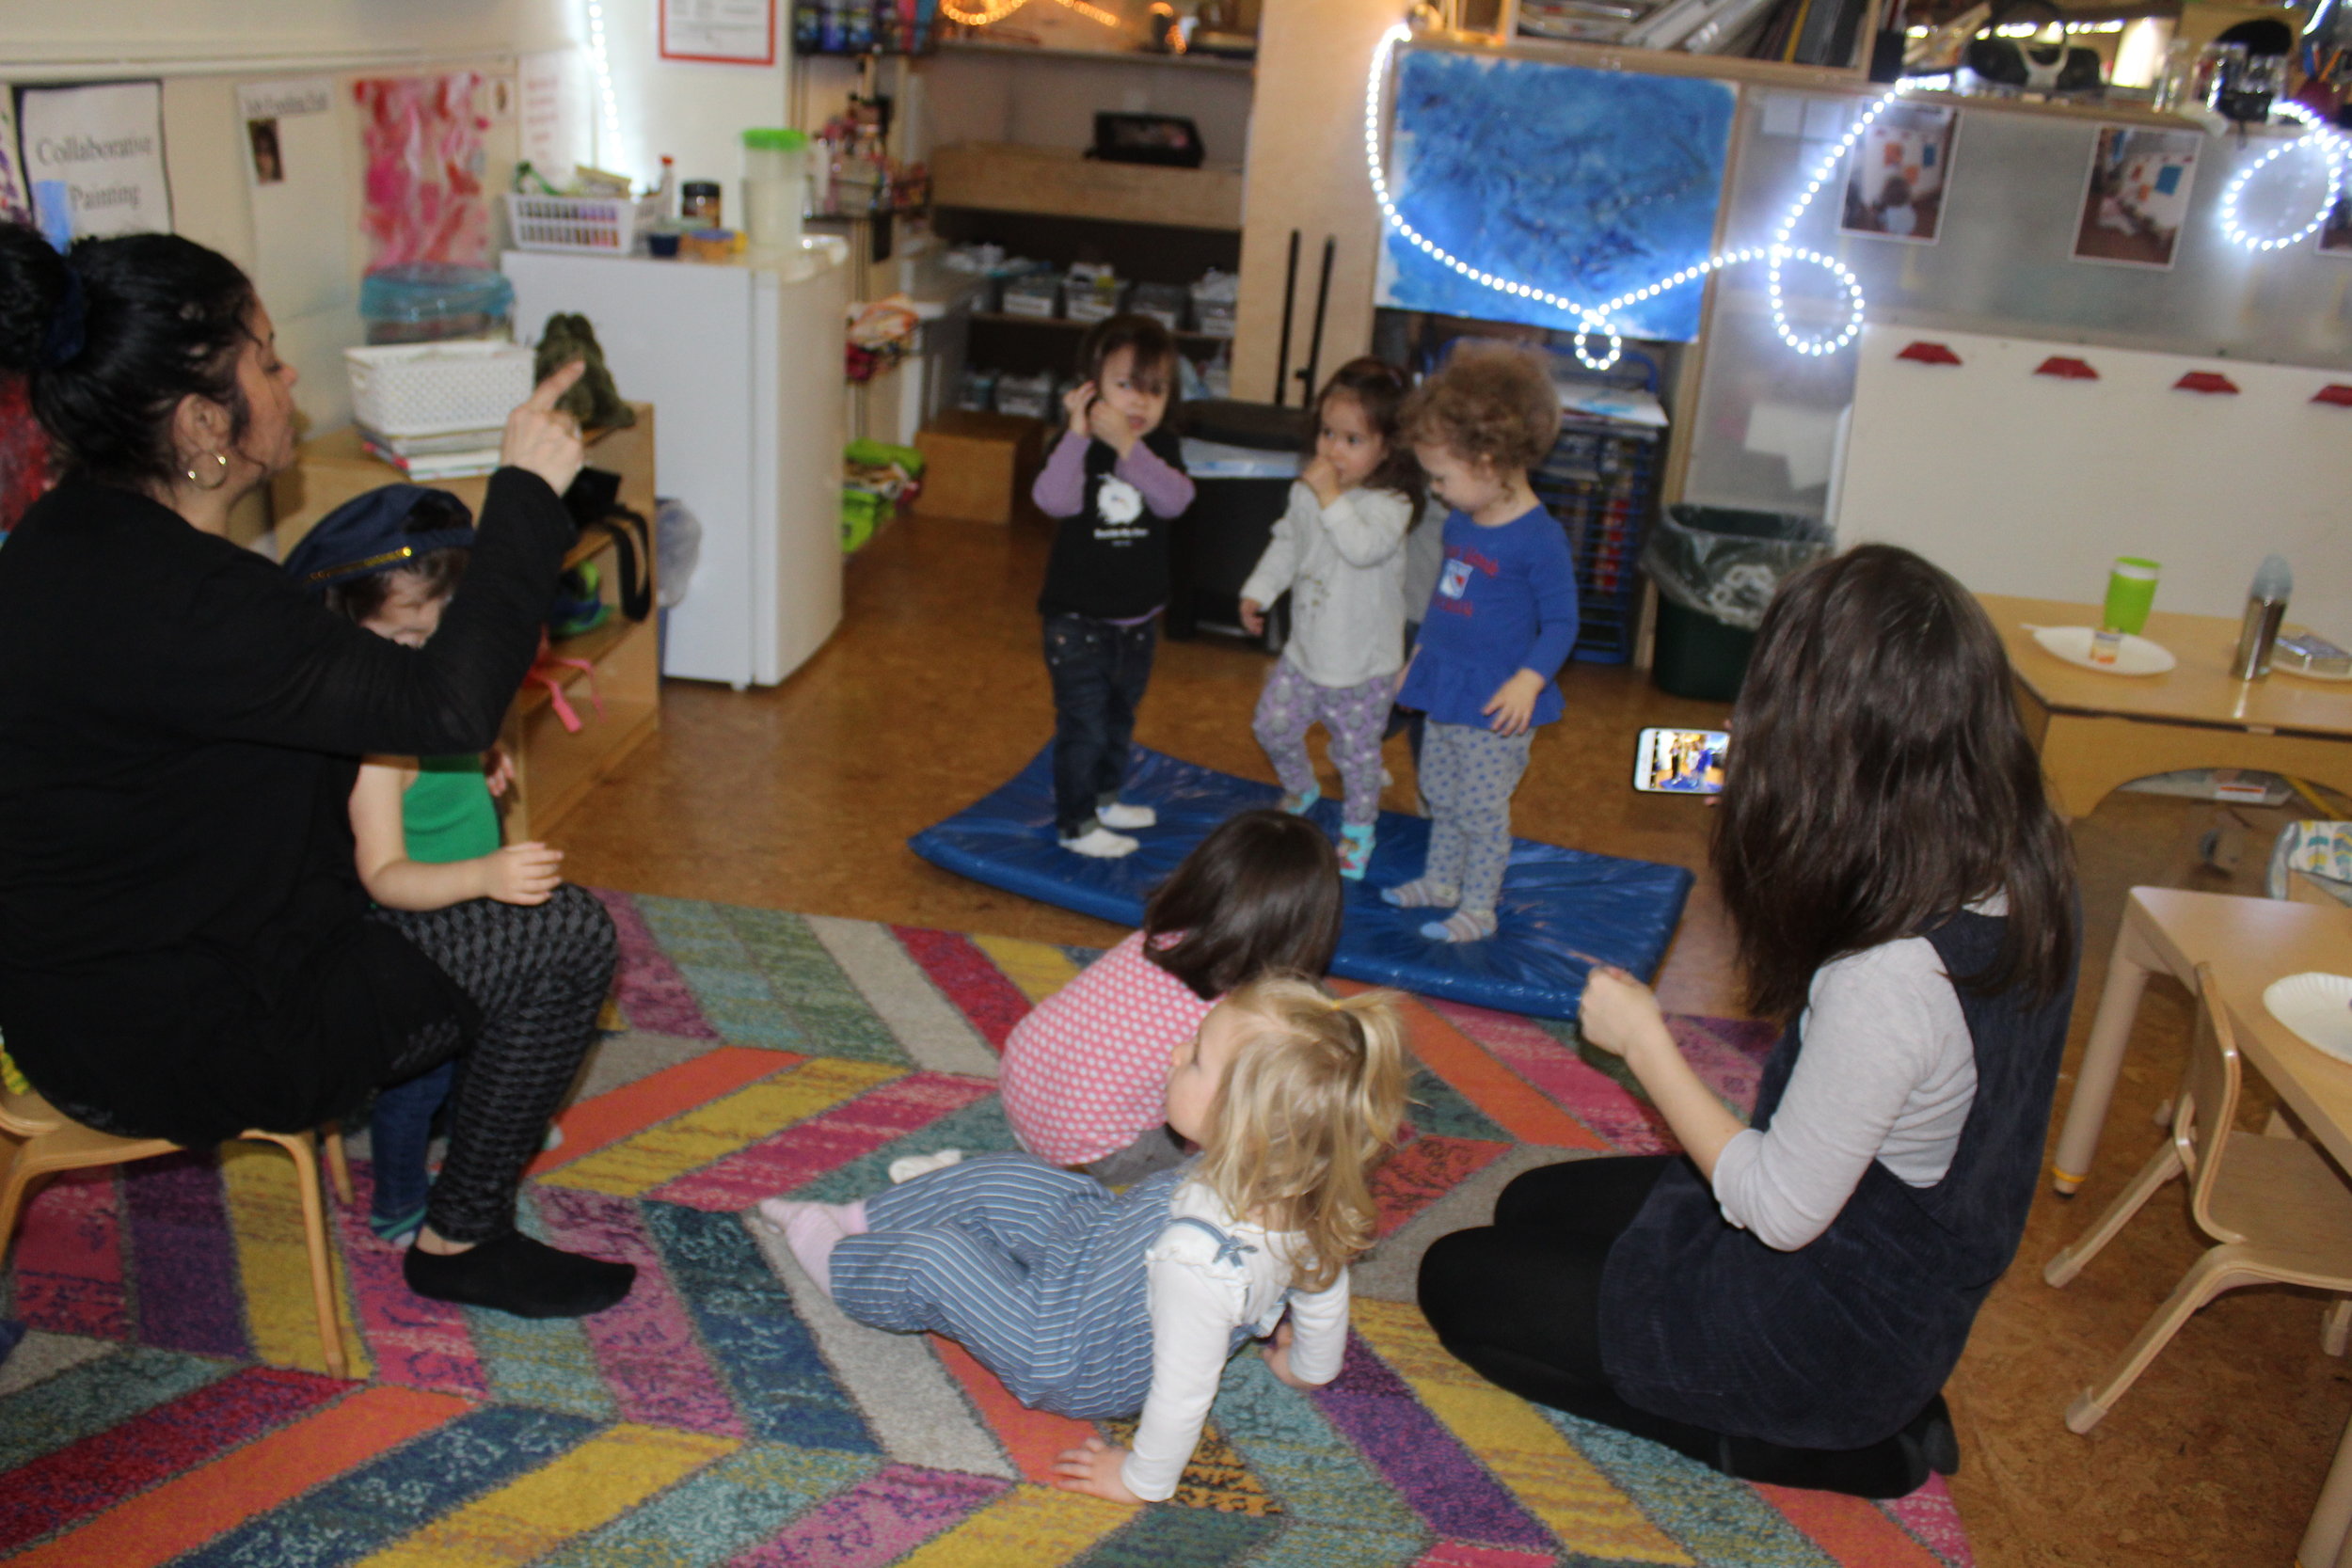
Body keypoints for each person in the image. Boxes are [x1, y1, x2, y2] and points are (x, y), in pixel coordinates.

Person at [0, 225, 632, 1320]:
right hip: (184, 1035)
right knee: (564, 934)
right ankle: (461, 1232)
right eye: (267, 356)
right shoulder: (194, 601)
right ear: (204, 421)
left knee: (453, 882)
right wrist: (524, 489)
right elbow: (447, 702)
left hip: (74, 999)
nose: (287, 379)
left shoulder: (61, 540)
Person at [1416, 545, 2080, 1497]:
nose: (1737, 721)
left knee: (1458, 1279)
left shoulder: (1888, 979)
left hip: (1824, 1329)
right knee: (1530, 1206)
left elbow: (1773, 1209)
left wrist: (1645, 1041)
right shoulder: (2011, 843)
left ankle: (1821, 1441)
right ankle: (1855, 1403)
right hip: (1893, 1243)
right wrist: (1746, 770)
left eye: (1768, 705)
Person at [760, 975, 1410, 1505]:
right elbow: (1326, 1288)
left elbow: (1186, 1390)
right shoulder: (1302, 1185)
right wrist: (1308, 1366)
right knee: (1015, 1177)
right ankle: (862, 1216)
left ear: (1238, 1123)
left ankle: (833, 1252)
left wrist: (1139, 1478)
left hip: (1070, 1347)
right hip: (1103, 1248)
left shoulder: (1197, 1267)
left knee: (941, 1259)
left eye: (1197, 1058)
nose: (1176, 1053)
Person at [284, 485, 568, 1244]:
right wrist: (482, 876)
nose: (432, 659)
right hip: (413, 937)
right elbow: (383, 875)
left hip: (470, 915)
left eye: (446, 637)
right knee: (419, 1082)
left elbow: (455, 736)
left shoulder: (431, 711)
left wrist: (485, 757)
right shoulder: (380, 744)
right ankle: (400, 1202)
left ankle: (491, 1123)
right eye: (409, 639)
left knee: (503, 1028)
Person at [998, 809, 1343, 1184]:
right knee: (1258, 1116)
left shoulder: (1159, 938)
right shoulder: (1244, 1013)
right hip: (1097, 1154)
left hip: (1020, 1086)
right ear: (1313, 923)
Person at [1379, 342, 1576, 943]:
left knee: (1481, 808)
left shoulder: (1537, 538)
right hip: (1448, 684)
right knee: (1438, 790)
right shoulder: (1463, 522)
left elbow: (1564, 622)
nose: (1435, 491)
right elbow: (1446, 598)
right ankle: (1441, 883)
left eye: (1441, 477)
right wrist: (1418, 657)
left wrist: (1530, 678)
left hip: (1497, 700)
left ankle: (1478, 906)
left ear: (1488, 461)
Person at [1237, 357, 1422, 879]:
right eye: (1326, 433)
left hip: (1362, 667)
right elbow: (1288, 545)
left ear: (1387, 447)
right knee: (1270, 726)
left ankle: (1358, 835)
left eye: (1352, 439)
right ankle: (1301, 787)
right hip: (1305, 653)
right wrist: (1260, 590)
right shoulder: (1307, 490)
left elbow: (1361, 548)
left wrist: (1329, 495)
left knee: (1357, 759)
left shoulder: (1391, 504)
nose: (1332, 449)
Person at [1031, 315, 1196, 861]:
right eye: (1126, 385)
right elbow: (1053, 501)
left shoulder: (1160, 445)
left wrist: (1129, 445)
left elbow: (1174, 501)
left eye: (1156, 389)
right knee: (1084, 725)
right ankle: (1075, 824)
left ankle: (1104, 798)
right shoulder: (1075, 445)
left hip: (1138, 618)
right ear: (1091, 386)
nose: (1141, 402)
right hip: (1076, 621)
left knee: (1119, 718)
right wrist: (1080, 437)